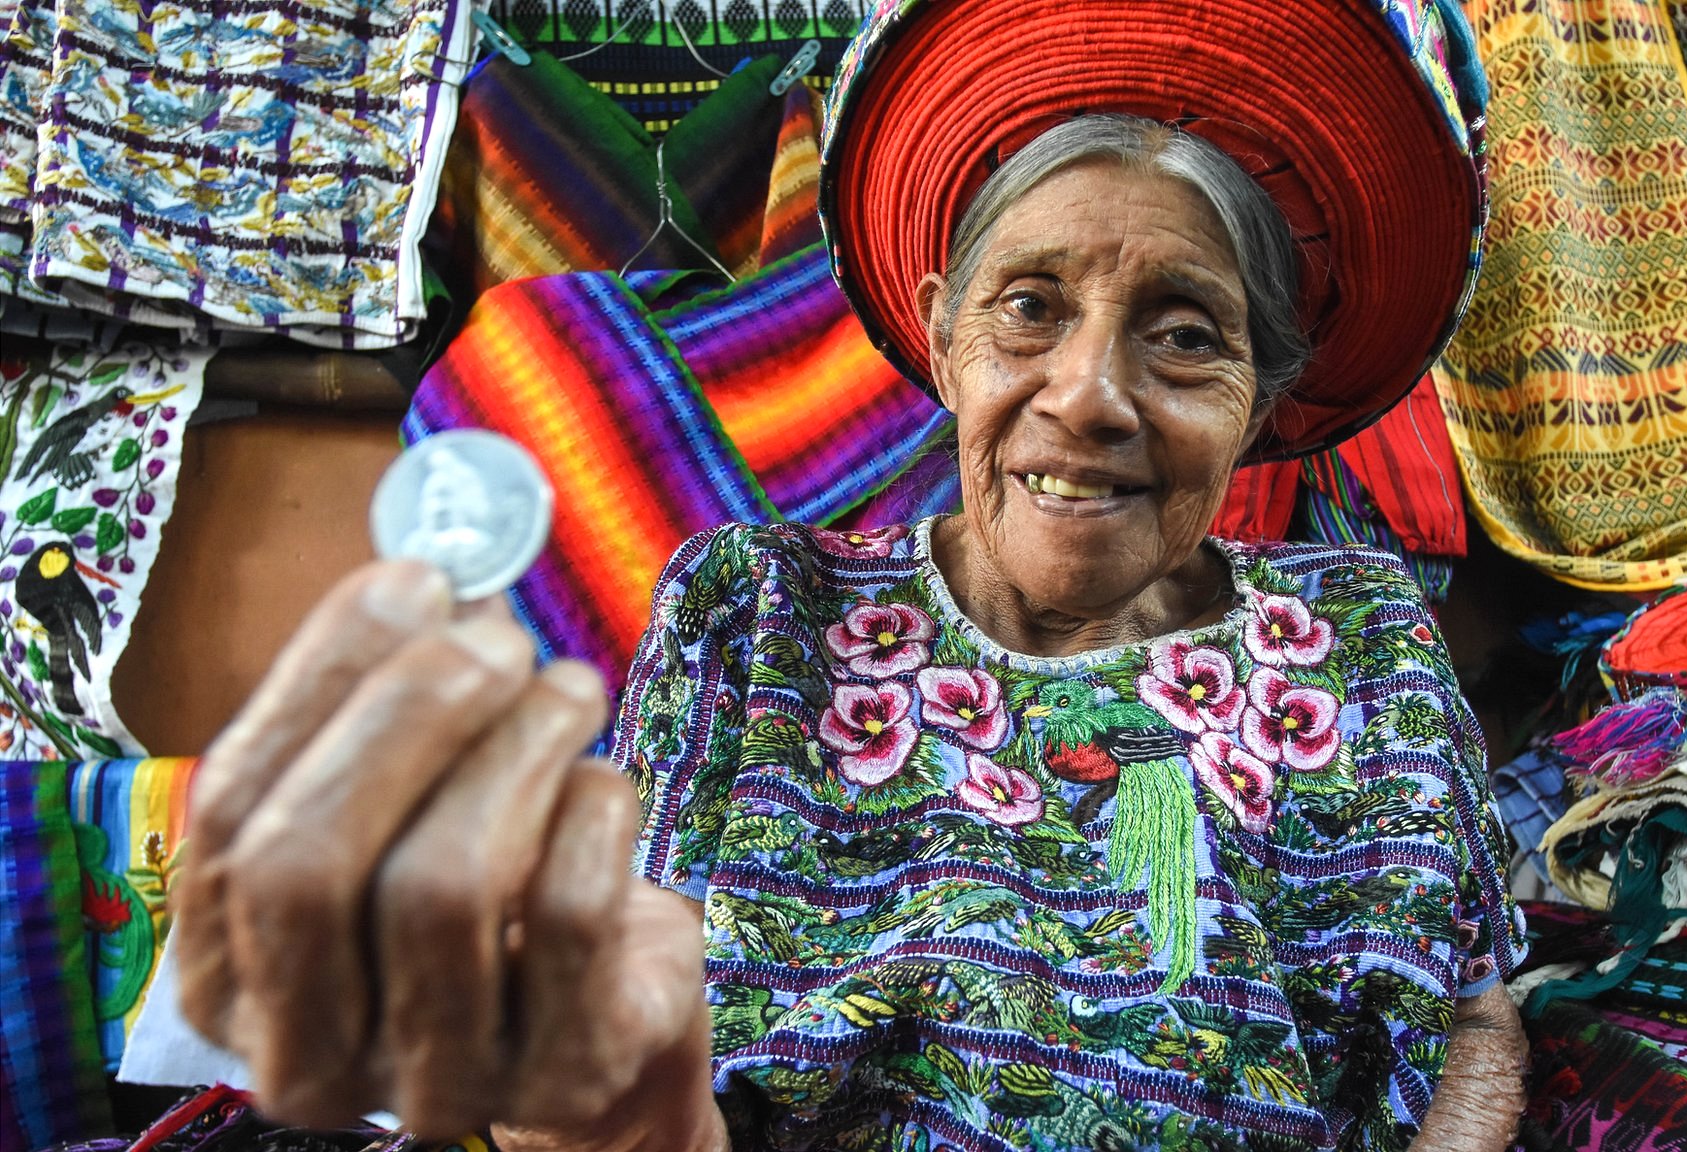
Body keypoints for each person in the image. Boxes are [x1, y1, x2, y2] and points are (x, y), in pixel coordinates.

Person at [170, 1, 1530, 1149]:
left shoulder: (1356, 643)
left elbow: (1471, 1017)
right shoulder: (758, 614)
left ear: (1262, 394)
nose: (1091, 395)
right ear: (942, 336)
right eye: (1029, 310)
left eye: (1185, 337)